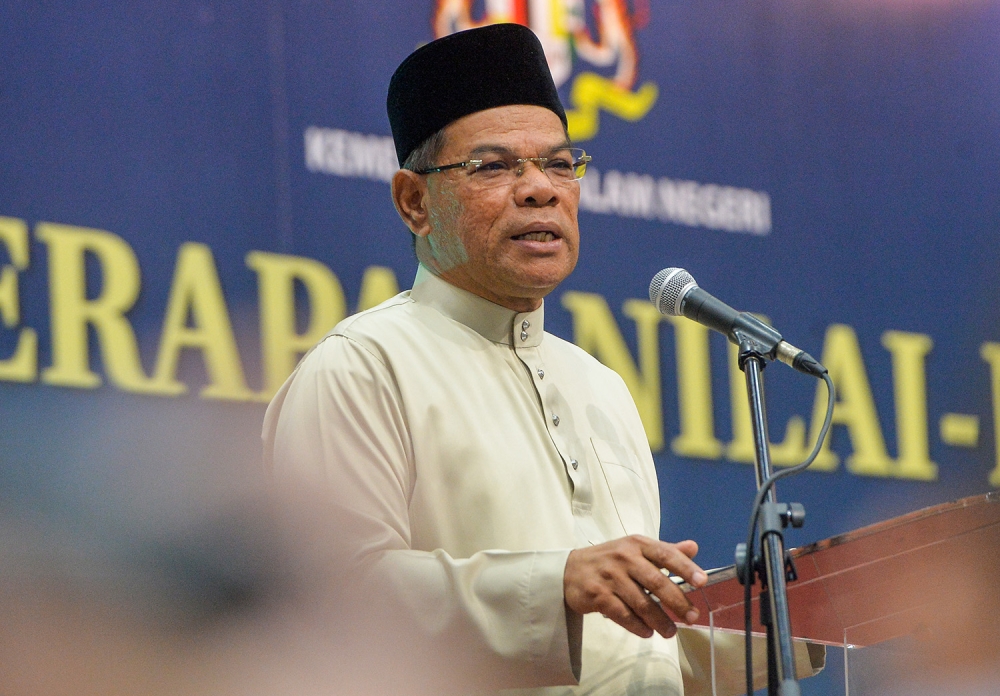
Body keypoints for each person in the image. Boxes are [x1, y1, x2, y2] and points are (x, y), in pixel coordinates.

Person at [263, 23, 815, 696]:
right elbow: (329, 604)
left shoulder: (600, 387)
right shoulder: (361, 367)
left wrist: (789, 622)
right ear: (414, 202)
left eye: (558, 164)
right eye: (493, 167)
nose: (540, 189)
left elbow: (613, 650)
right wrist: (555, 584)